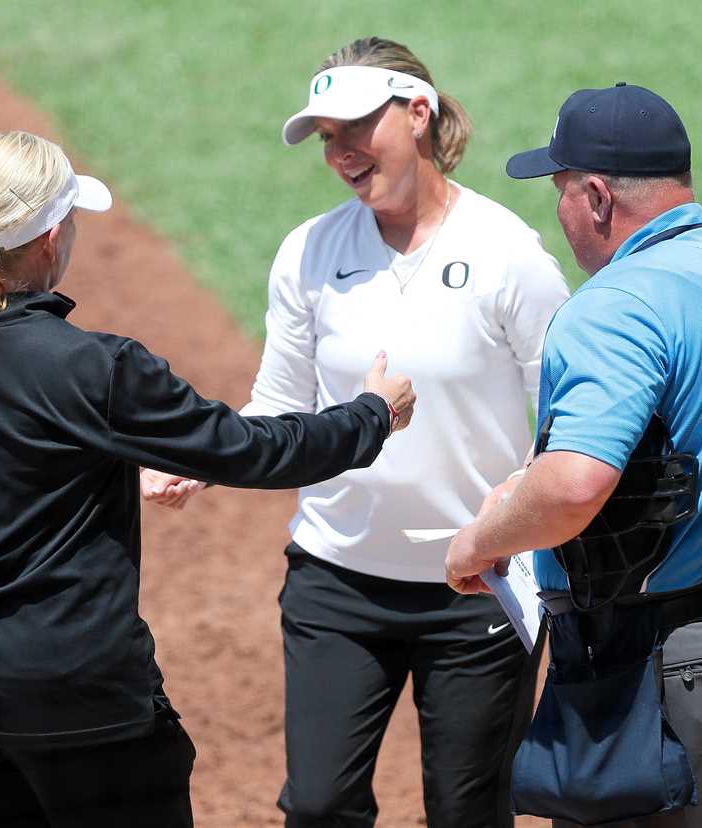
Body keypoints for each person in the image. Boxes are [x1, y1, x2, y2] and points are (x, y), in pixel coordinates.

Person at [0, 130, 415, 828]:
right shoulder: (95, 368)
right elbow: (254, 451)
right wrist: (370, 416)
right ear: (52, 237)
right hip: (88, 707)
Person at [142, 37, 569, 828]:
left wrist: (520, 518)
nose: (338, 151)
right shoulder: (309, 253)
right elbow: (279, 402)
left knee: (468, 811)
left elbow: (566, 417)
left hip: (479, 584)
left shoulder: (510, 257)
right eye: (326, 137)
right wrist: (200, 458)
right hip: (337, 579)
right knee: (318, 805)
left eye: (353, 129)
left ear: (418, 114)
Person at [446, 84, 702, 827]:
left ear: (594, 196)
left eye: (558, 190)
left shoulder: (613, 306)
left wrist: (478, 541)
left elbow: (574, 485)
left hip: (658, 676)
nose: (557, 214)